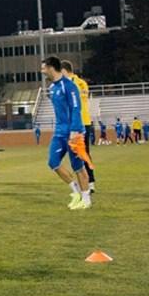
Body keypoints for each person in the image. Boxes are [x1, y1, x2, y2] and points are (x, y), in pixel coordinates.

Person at [41, 57, 92, 210]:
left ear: (51, 68)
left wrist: (75, 131)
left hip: (73, 132)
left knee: (78, 166)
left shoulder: (69, 86)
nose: (42, 71)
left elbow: (76, 109)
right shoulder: (52, 88)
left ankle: (86, 200)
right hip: (60, 132)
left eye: (43, 68)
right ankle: (76, 192)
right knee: (53, 162)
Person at [61, 61, 97, 193]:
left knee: (79, 154)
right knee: (83, 152)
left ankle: (87, 184)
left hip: (77, 123)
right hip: (84, 121)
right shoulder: (82, 83)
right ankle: (90, 183)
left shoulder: (71, 84)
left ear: (64, 71)